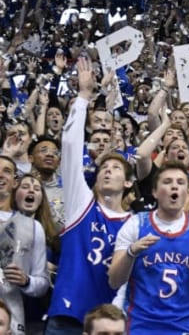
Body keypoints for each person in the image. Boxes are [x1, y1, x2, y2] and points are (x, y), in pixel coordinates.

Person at [46, 57, 133, 335]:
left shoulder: (137, 223)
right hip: (67, 319)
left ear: (129, 183)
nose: (107, 171)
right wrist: (84, 96)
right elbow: (70, 147)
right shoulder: (81, 205)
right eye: (103, 168)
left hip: (110, 324)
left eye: (115, 168)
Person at [108, 162, 189, 334]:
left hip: (182, 325)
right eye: (167, 182)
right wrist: (131, 252)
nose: (174, 186)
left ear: (186, 192)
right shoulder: (135, 224)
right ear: (154, 192)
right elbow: (114, 281)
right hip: (140, 324)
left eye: (180, 182)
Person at [0, 156, 50, 335]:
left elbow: (42, 282)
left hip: (12, 320)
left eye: (6, 171)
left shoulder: (32, 227)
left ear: (14, 182)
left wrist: (26, 281)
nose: (1, 175)